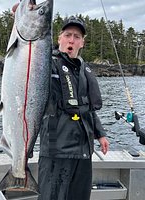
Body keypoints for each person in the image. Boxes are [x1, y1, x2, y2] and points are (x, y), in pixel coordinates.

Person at [38, 16, 109, 200]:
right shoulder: (47, 65)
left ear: (82, 43)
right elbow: (26, 56)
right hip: (56, 150)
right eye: (68, 35)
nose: (72, 40)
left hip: (84, 150)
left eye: (77, 36)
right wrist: (20, 21)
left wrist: (100, 133)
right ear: (59, 39)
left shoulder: (84, 70)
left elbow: (88, 107)